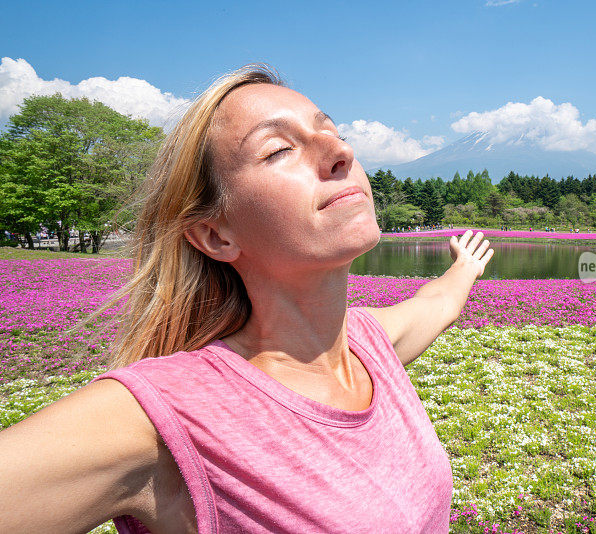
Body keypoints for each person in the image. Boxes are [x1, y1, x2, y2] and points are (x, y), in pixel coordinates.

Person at [0, 64, 494, 533]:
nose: (339, 152)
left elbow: (438, 305)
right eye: (279, 150)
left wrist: (465, 267)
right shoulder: (171, 413)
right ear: (215, 234)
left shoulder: (369, 344)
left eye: (334, 131)